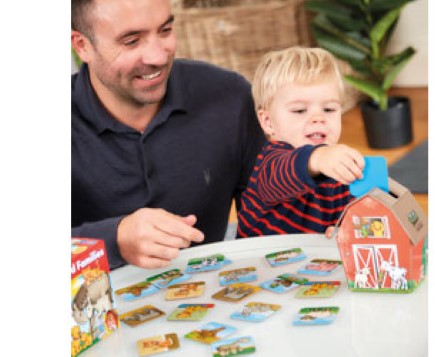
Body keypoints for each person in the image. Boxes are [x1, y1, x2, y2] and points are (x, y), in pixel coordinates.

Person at [71, 0, 265, 270]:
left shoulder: (230, 96)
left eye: (165, 31)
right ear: (82, 46)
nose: (158, 57)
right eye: (131, 41)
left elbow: (269, 218)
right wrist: (114, 240)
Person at [237, 47, 365, 238]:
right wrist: (316, 157)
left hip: (312, 261)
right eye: (299, 111)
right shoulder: (271, 161)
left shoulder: (336, 165)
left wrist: (345, 227)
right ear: (268, 122)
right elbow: (284, 173)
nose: (318, 118)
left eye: (329, 109)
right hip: (258, 261)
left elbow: (351, 211)